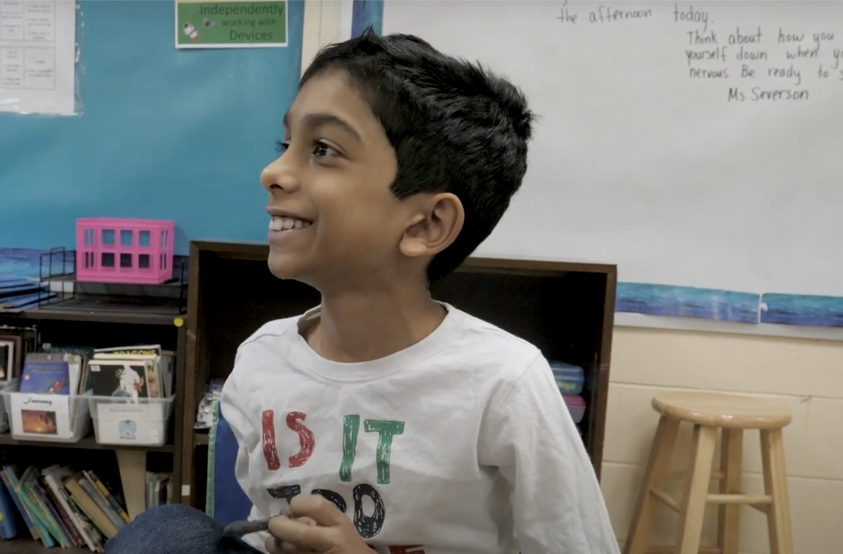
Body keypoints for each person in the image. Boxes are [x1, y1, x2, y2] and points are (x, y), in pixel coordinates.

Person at [106, 29, 617, 554]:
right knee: (165, 532)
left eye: (323, 149)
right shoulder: (261, 358)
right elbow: (263, 518)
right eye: (287, 145)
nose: (273, 172)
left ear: (425, 224)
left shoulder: (504, 384)